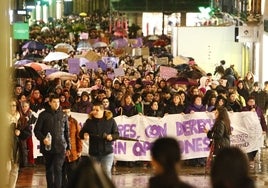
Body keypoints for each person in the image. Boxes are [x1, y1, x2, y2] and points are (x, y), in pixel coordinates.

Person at [34, 93, 71, 188]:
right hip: (48, 148)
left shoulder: (63, 115)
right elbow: (36, 130)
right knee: (49, 169)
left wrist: (68, 147)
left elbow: (67, 132)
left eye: (58, 102)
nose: (57, 104)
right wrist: (43, 139)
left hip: (61, 147)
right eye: (54, 102)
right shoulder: (43, 115)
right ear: (50, 102)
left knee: (58, 168)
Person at [79, 101, 119, 178]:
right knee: (93, 175)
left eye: (97, 110)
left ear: (102, 110)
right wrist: (84, 135)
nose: (94, 112)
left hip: (107, 152)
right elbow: (81, 134)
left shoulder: (110, 120)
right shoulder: (89, 121)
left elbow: (117, 134)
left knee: (106, 171)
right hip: (94, 152)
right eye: (93, 109)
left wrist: (112, 137)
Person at [62, 105, 83, 188]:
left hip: (73, 152)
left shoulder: (74, 121)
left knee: (72, 174)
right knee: (61, 174)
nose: (66, 114)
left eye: (68, 112)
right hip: (61, 152)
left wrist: (79, 150)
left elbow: (78, 137)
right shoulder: (58, 121)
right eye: (64, 112)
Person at [7, 99, 21, 188]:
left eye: (14, 105)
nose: (12, 107)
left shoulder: (20, 117)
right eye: (10, 105)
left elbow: (27, 131)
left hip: (17, 146)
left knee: (15, 169)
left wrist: (20, 132)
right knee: (6, 169)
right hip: (5, 145)